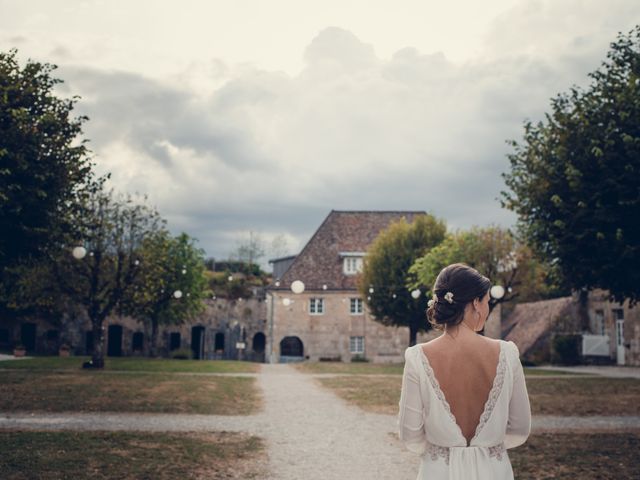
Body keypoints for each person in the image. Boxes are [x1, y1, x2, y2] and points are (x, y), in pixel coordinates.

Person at [397, 263, 531, 480]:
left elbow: (410, 435)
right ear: (476, 303)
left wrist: (441, 450)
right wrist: (487, 448)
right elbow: (520, 429)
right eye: (487, 302)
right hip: (493, 471)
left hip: (439, 472)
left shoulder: (417, 357)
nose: (486, 310)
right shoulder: (507, 354)